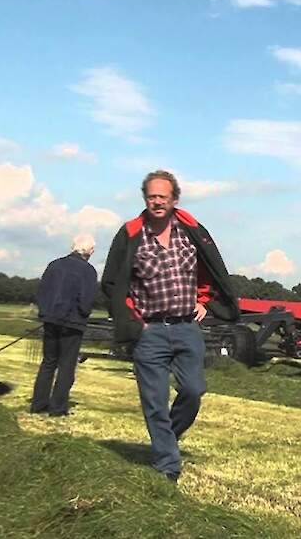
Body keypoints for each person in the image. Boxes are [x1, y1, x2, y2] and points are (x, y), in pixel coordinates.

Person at [100, 170, 238, 482]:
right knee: (155, 401)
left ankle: (166, 442)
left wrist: (205, 300)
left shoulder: (191, 231)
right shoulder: (131, 234)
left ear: (174, 199)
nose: (157, 201)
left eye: (163, 196)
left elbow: (212, 269)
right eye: (152, 196)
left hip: (187, 327)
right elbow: (112, 283)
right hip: (150, 331)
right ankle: (167, 466)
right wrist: (135, 324)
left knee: (193, 391)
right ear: (145, 199)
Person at [31, 233, 98, 417]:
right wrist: (83, 313)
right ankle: (58, 408)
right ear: (89, 250)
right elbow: (87, 299)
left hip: (51, 320)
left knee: (48, 362)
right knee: (66, 366)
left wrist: (45, 313)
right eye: (93, 249)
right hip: (73, 323)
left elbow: (42, 291)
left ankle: (38, 404)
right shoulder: (88, 271)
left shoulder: (54, 265)